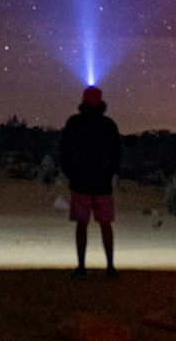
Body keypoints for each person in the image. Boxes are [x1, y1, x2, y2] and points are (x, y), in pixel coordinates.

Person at [59, 84, 122, 277]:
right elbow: (117, 152)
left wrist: (73, 173)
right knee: (92, 224)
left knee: (91, 224)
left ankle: (95, 266)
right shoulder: (107, 124)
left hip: (88, 183)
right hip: (93, 184)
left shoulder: (77, 123)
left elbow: (64, 150)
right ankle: (99, 266)